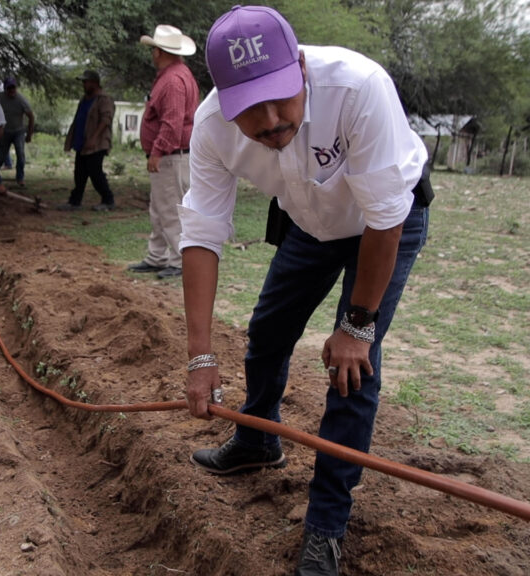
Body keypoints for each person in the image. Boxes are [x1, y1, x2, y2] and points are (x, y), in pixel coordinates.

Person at [179, 6, 431, 576]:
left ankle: (325, 526)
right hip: (310, 225)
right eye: (249, 107)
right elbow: (202, 231)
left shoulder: (358, 86)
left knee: (352, 369)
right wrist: (199, 355)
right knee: (268, 330)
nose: (270, 120)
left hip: (384, 222)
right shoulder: (212, 126)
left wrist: (357, 326)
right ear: (223, 99)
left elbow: (387, 215)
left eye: (281, 97)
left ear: (300, 66)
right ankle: (256, 440)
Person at [127, 25, 199, 280]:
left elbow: (172, 122)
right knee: (159, 208)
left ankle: (178, 261)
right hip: (170, 155)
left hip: (170, 156)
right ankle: (157, 256)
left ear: (159, 51)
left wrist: (157, 151)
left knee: (169, 209)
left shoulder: (172, 81)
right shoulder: (176, 75)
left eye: (153, 50)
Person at [59, 70, 116, 211]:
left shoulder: (104, 99)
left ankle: (108, 200)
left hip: (96, 144)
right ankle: (75, 201)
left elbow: (106, 120)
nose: (83, 85)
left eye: (86, 82)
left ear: (94, 83)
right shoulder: (85, 99)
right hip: (82, 143)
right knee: (79, 174)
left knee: (95, 173)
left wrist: (94, 138)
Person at [0, 77, 35, 187]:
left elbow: (31, 116)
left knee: (20, 154)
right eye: (9, 88)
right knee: (1, 156)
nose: (12, 90)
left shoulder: (21, 99)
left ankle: (20, 178)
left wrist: (29, 134)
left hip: (18, 131)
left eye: (13, 88)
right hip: (4, 131)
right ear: (5, 89)